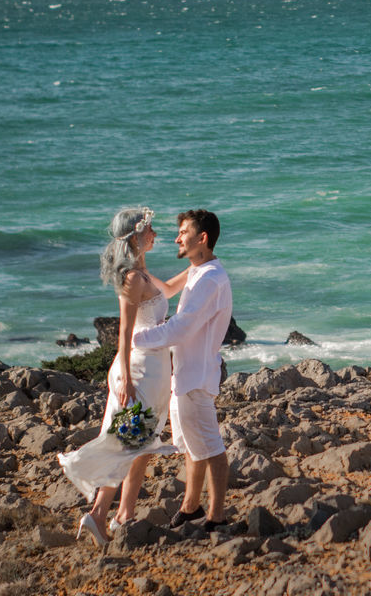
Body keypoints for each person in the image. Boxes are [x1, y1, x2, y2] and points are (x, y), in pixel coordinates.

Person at [58, 206, 187, 546]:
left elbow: (171, 290)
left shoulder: (143, 273)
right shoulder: (131, 279)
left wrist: (202, 265)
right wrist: (127, 379)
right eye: (149, 230)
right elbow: (124, 332)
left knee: (141, 444)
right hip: (139, 371)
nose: (155, 234)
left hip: (154, 370)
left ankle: (123, 514)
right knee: (127, 444)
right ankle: (100, 515)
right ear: (135, 237)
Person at [131, 209, 233, 530]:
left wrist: (134, 340)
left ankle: (216, 518)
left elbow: (180, 328)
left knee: (212, 448)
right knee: (191, 446)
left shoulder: (210, 279)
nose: (177, 238)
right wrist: (138, 257)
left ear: (202, 238)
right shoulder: (197, 272)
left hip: (195, 377)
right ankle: (191, 507)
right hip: (186, 375)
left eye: (183, 232)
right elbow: (160, 289)